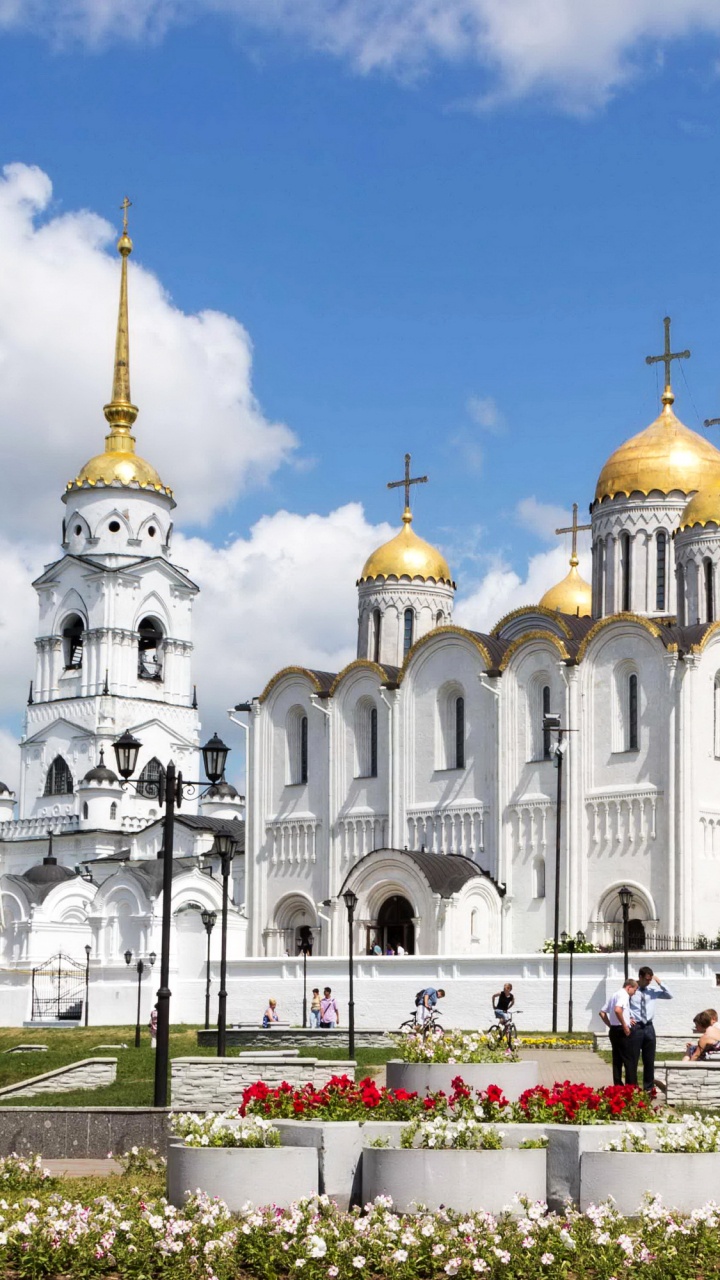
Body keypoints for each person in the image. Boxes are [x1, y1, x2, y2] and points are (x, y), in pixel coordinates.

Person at [627, 966, 672, 1091]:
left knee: (649, 1059)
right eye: (646, 979)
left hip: (648, 1027)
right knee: (633, 1058)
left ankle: (648, 1087)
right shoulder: (632, 990)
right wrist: (628, 1017)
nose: (648, 982)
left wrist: (660, 983)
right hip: (636, 1026)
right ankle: (632, 1088)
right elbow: (623, 1004)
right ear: (640, 977)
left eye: (650, 979)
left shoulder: (652, 990)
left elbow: (669, 995)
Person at [599, 978, 638, 1085]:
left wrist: (611, 1025)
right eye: (634, 990)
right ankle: (631, 1086)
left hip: (614, 1030)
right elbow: (618, 1010)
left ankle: (618, 1086)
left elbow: (602, 1013)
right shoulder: (624, 995)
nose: (634, 993)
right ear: (629, 987)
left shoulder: (614, 994)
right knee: (629, 1060)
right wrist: (625, 1025)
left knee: (617, 1060)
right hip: (622, 1031)